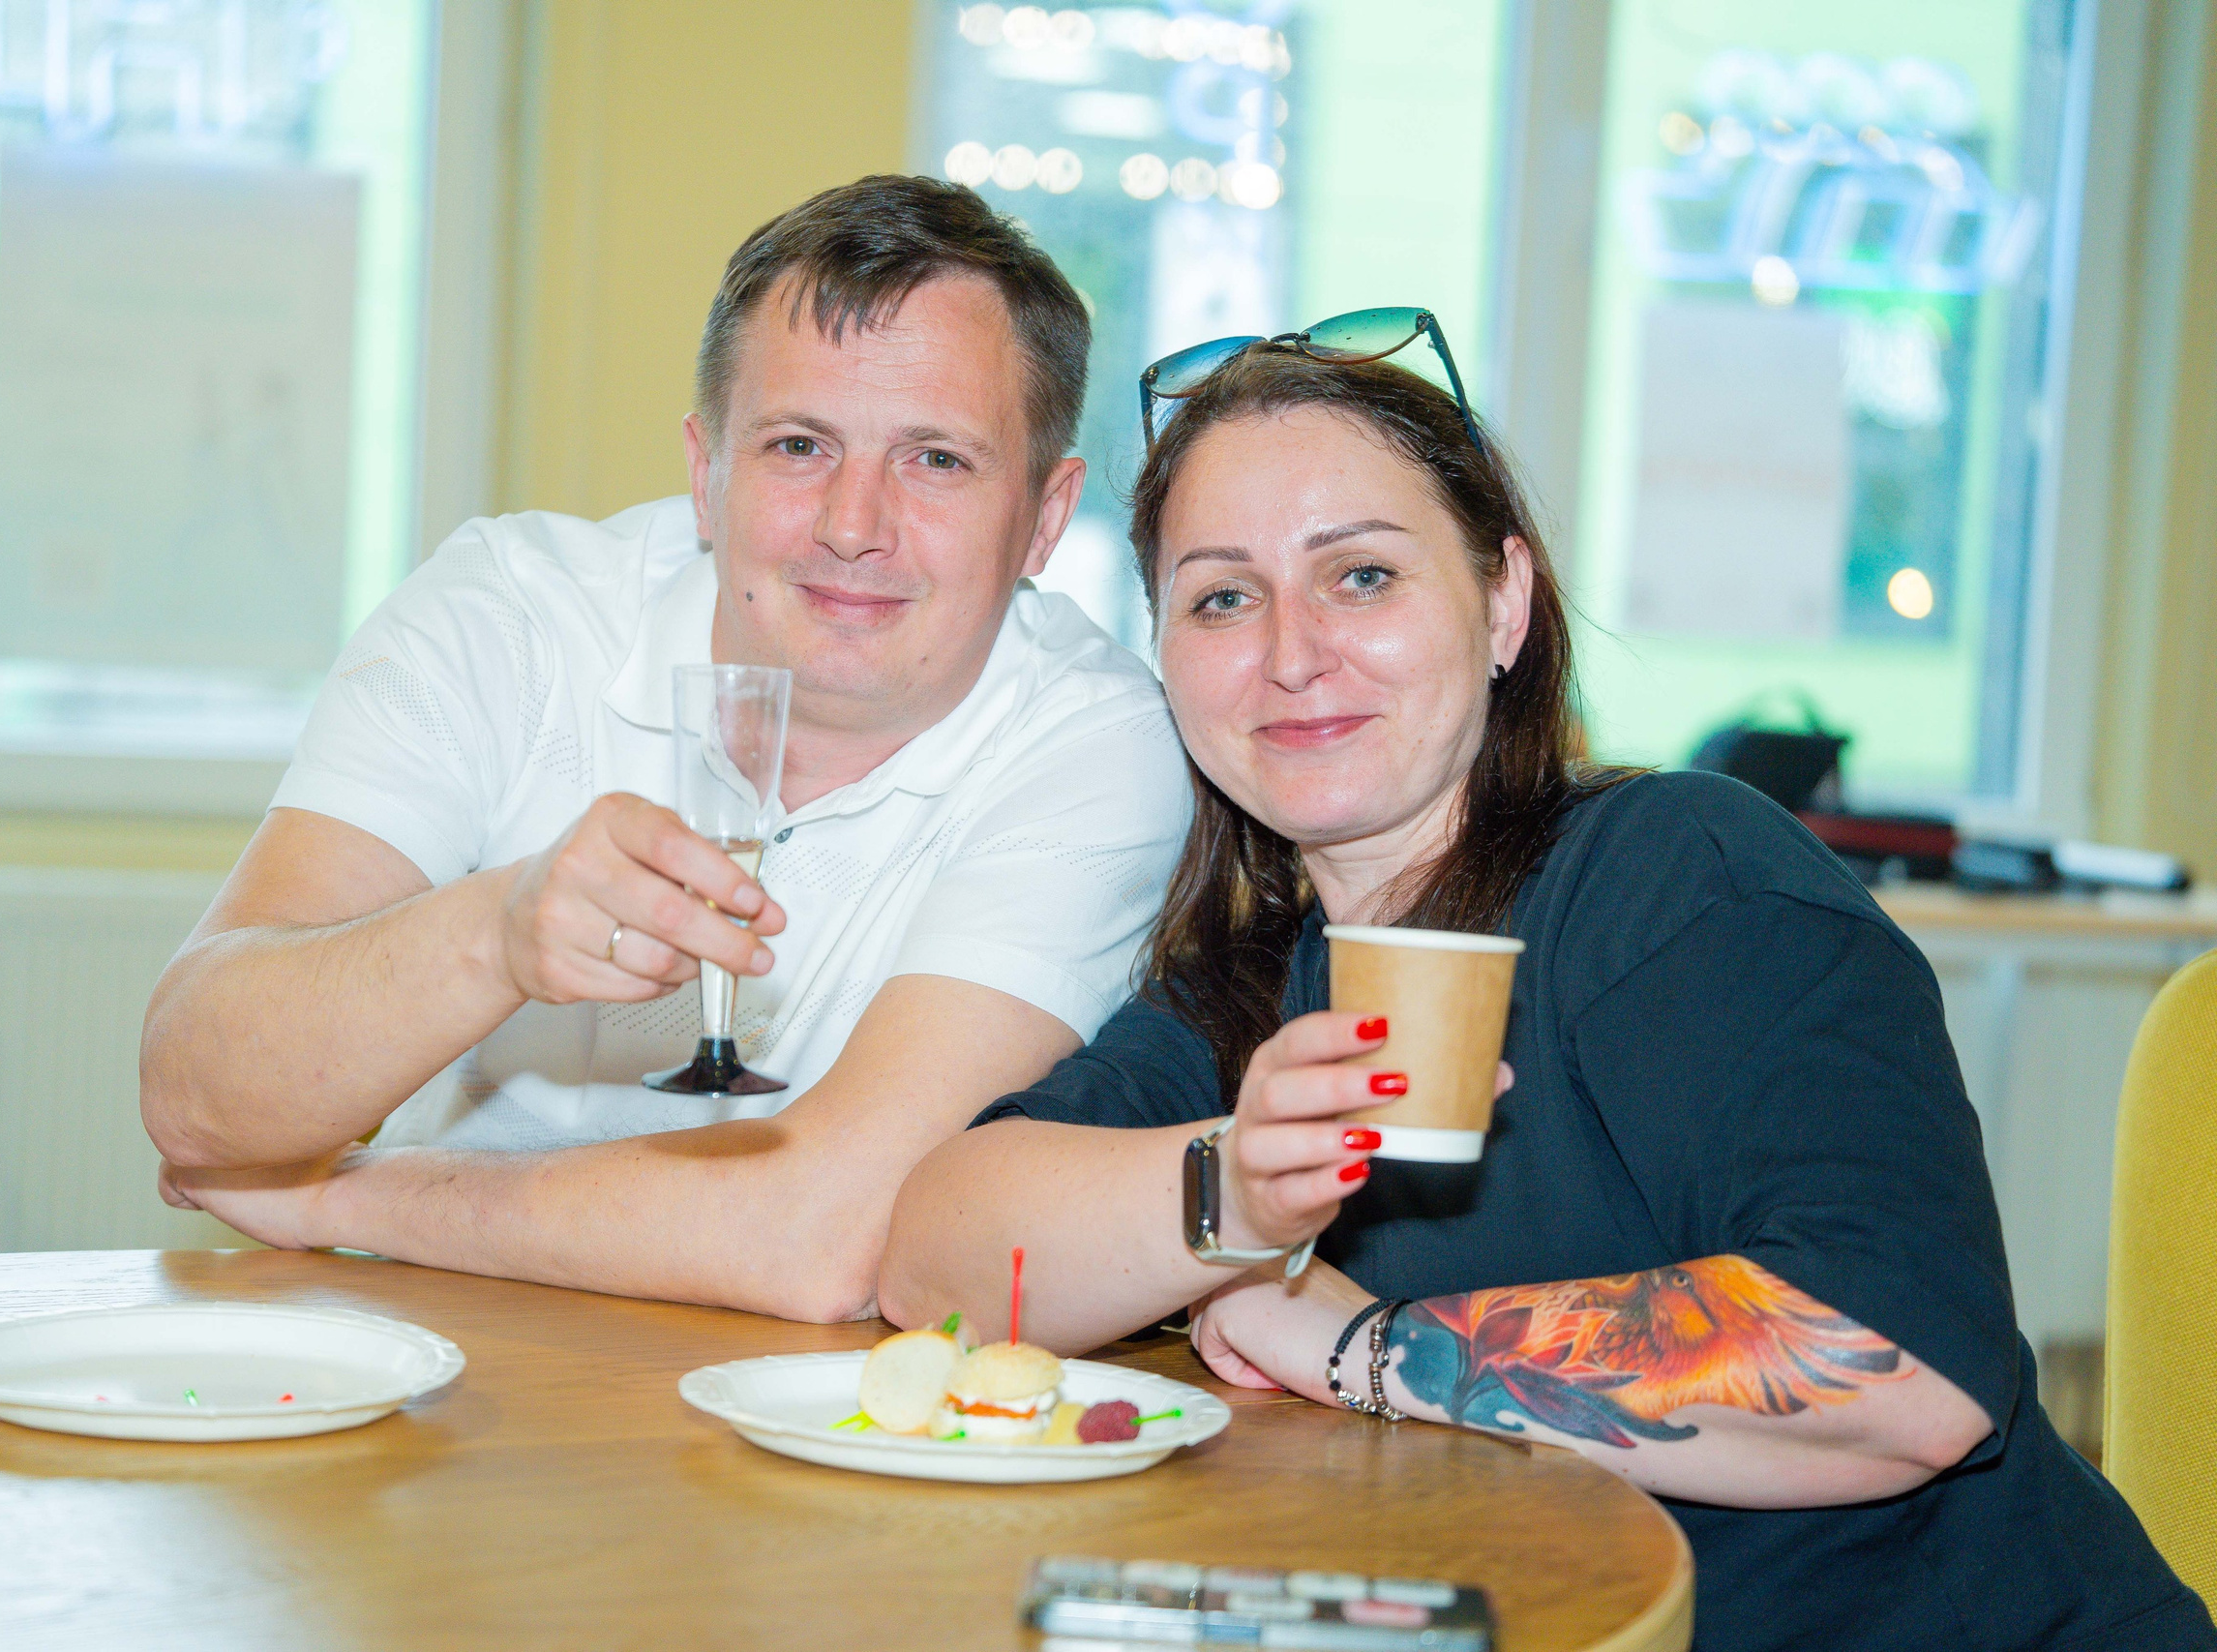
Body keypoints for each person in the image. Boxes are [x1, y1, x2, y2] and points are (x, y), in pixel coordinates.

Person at [876, 338, 2211, 1648]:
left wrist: (1371, 1347)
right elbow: (937, 1259)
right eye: (1222, 597)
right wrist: (1235, 1191)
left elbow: (1903, 1371)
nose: (1291, 652)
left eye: (1361, 575)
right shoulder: (1248, 973)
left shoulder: (1681, 875)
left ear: (1503, 603)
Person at [139, 175, 1189, 1324]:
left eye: (935, 459)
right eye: (798, 445)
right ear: (705, 473)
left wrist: (339, 1199)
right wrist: (494, 934)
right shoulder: (509, 617)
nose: (853, 525)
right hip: (433, 1367)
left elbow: (823, 1239)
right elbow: (194, 1091)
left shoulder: (1097, 744)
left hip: (808, 1412)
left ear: (1044, 518)